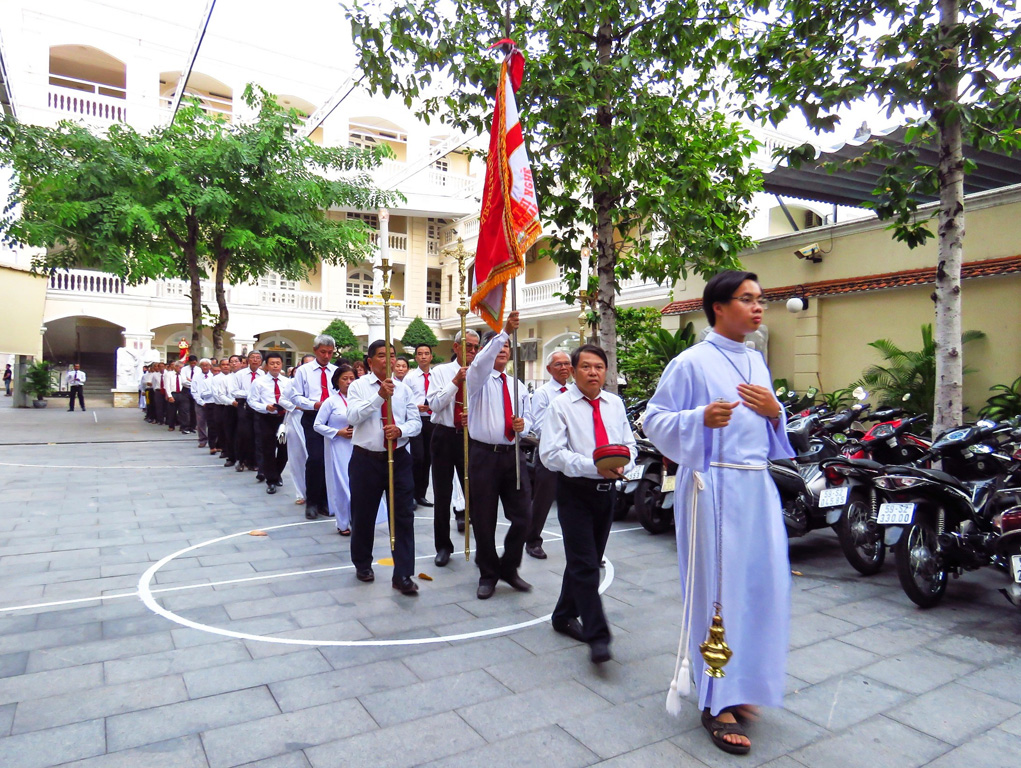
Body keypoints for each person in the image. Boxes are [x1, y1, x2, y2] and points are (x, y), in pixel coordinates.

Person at [643, 270, 793, 756]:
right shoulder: (691, 362)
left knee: (759, 587)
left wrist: (775, 411)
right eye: (747, 299)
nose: (758, 308)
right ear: (718, 307)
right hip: (711, 487)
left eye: (760, 299)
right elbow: (654, 420)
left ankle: (743, 684)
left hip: (755, 485)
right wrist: (698, 419)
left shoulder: (755, 361)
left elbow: (770, 428)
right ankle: (714, 699)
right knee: (717, 593)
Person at [540, 344, 635, 664]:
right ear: (574, 371)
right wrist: (594, 466)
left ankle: (563, 614)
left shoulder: (615, 404)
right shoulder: (561, 406)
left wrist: (623, 464)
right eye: (586, 367)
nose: (593, 372)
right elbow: (550, 454)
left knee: (588, 560)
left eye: (599, 367)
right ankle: (598, 635)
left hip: (607, 493)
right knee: (584, 564)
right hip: (575, 491)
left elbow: (630, 445)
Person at [346, 340, 422, 595]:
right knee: (363, 514)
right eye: (381, 355)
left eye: (391, 355)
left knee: (402, 516)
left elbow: (416, 422)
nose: (387, 360)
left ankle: (403, 573)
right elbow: (353, 417)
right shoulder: (357, 386)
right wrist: (379, 398)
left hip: (398, 457)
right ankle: (362, 563)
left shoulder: (404, 389)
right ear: (370, 361)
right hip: (366, 458)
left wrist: (401, 430)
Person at [466, 311, 532, 600]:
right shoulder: (477, 378)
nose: (504, 349)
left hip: (512, 455)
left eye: (507, 346)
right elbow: (481, 362)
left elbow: (529, 418)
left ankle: (509, 566)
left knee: (523, 516)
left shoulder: (516, 385)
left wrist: (523, 425)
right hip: (483, 456)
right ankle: (488, 573)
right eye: (499, 346)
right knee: (483, 518)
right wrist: (503, 331)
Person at [427, 330, 479, 566]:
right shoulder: (440, 372)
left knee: (476, 492)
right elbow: (435, 405)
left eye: (476, 347)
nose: (472, 351)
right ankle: (443, 546)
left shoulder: (481, 372)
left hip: (472, 436)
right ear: (456, 347)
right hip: (445, 434)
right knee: (442, 493)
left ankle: (483, 544)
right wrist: (456, 381)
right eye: (468, 346)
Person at [526, 350, 573, 559]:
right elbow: (538, 425)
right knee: (543, 499)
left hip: (573, 454)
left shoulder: (574, 391)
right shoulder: (543, 393)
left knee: (574, 501)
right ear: (549, 369)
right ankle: (533, 540)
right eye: (558, 364)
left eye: (567, 364)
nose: (564, 368)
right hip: (550, 454)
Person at [293, 336, 337, 519]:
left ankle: (326, 500)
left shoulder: (336, 371)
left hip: (333, 419)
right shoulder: (304, 371)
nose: (326, 356)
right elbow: (296, 397)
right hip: (312, 417)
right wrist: (315, 404)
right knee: (316, 458)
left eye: (330, 352)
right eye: (323, 352)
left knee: (330, 460)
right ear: (315, 350)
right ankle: (311, 501)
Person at [314, 364, 358, 533]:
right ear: (337, 381)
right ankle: (342, 522)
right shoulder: (330, 401)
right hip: (337, 446)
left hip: (358, 445)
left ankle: (357, 518)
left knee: (357, 483)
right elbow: (317, 425)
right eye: (344, 379)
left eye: (352, 379)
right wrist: (337, 432)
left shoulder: (359, 400)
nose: (348, 382)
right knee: (341, 483)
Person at [248, 351, 293, 494]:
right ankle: (271, 480)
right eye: (272, 363)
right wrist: (265, 407)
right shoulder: (259, 382)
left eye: (278, 363)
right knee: (268, 449)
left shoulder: (288, 382)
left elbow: (293, 398)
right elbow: (252, 401)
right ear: (266, 365)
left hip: (284, 419)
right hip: (266, 418)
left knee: (284, 449)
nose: (275, 366)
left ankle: (277, 472)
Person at [403, 343, 435, 508]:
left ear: (431, 356)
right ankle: (412, 494)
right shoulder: (410, 377)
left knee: (428, 459)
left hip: (432, 420)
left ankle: (421, 494)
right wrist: (416, 407)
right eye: (420, 354)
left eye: (426, 353)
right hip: (416, 419)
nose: (423, 356)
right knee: (417, 457)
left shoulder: (436, 376)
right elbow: (405, 400)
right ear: (415, 357)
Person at [286, 354, 315, 505]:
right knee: (297, 457)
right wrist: (297, 406)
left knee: (313, 458)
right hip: (296, 418)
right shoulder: (292, 383)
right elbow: (283, 399)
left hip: (315, 419)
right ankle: (300, 492)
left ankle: (315, 493)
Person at [230, 352, 265, 474]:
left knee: (257, 433)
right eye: (252, 358)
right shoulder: (240, 374)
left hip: (259, 406)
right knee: (244, 433)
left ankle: (253, 461)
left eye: (258, 358)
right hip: (244, 405)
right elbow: (234, 392)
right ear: (248, 360)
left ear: (261, 361)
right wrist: (251, 393)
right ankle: (240, 460)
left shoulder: (263, 374)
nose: (255, 360)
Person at [190, 358, 215, 448]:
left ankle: (213, 440)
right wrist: (201, 401)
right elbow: (194, 391)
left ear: (210, 366)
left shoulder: (213, 376)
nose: (205, 367)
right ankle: (202, 439)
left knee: (212, 422)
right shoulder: (196, 377)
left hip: (211, 402)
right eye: (203, 365)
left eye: (206, 365)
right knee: (200, 422)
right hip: (200, 402)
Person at [177, 355, 198, 435]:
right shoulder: (184, 370)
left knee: (193, 409)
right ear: (189, 362)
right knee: (185, 409)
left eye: (195, 363)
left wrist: (191, 381)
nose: (193, 364)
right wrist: (193, 382)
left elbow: (199, 381)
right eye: (192, 363)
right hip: (186, 390)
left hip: (195, 391)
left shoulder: (198, 370)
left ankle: (192, 426)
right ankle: (185, 427)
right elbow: (184, 381)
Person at [163, 361, 185, 431]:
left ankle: (182, 426)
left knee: (182, 411)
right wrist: (169, 396)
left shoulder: (183, 374)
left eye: (182, 368)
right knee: (172, 411)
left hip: (181, 393)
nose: (181, 369)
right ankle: (171, 425)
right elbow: (167, 385)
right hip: (173, 393)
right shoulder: (169, 374)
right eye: (180, 367)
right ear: (175, 367)